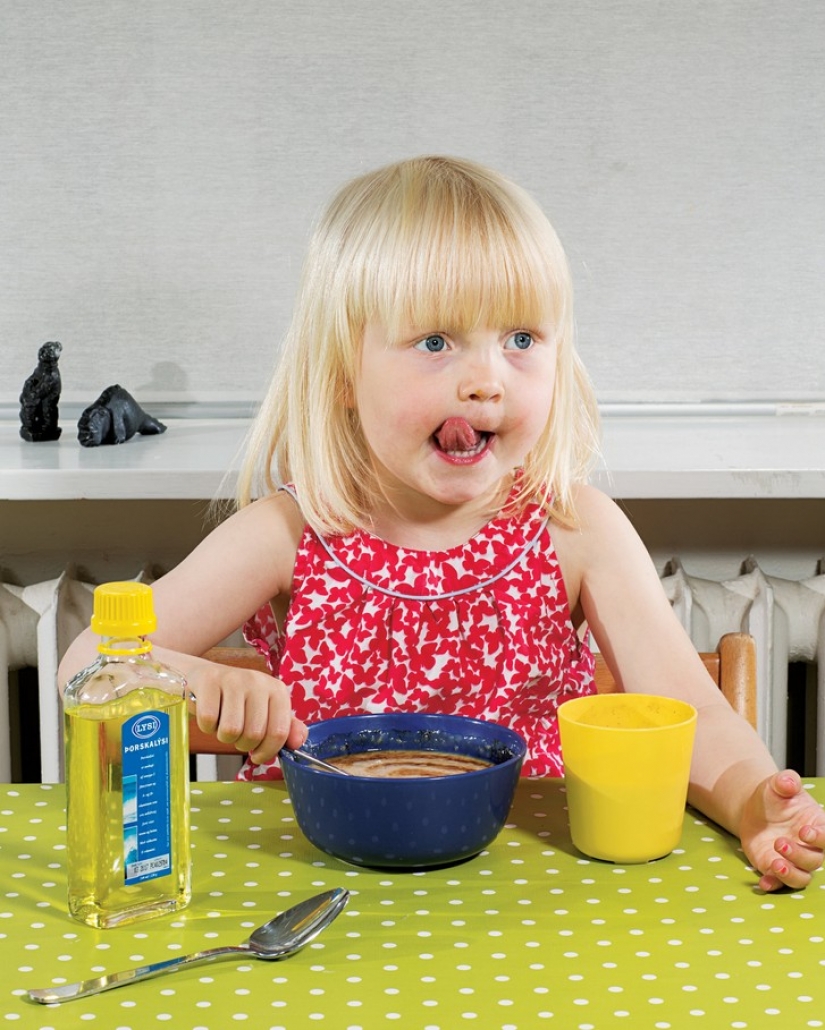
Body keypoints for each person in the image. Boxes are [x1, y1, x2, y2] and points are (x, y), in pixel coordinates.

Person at [59, 155, 825, 891]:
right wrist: (199, 680)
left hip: (533, 890)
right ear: (341, 377)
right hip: (321, 889)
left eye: (521, 340)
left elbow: (691, 714)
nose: (487, 380)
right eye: (435, 342)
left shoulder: (574, 529)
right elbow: (83, 669)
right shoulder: (292, 532)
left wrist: (756, 803)